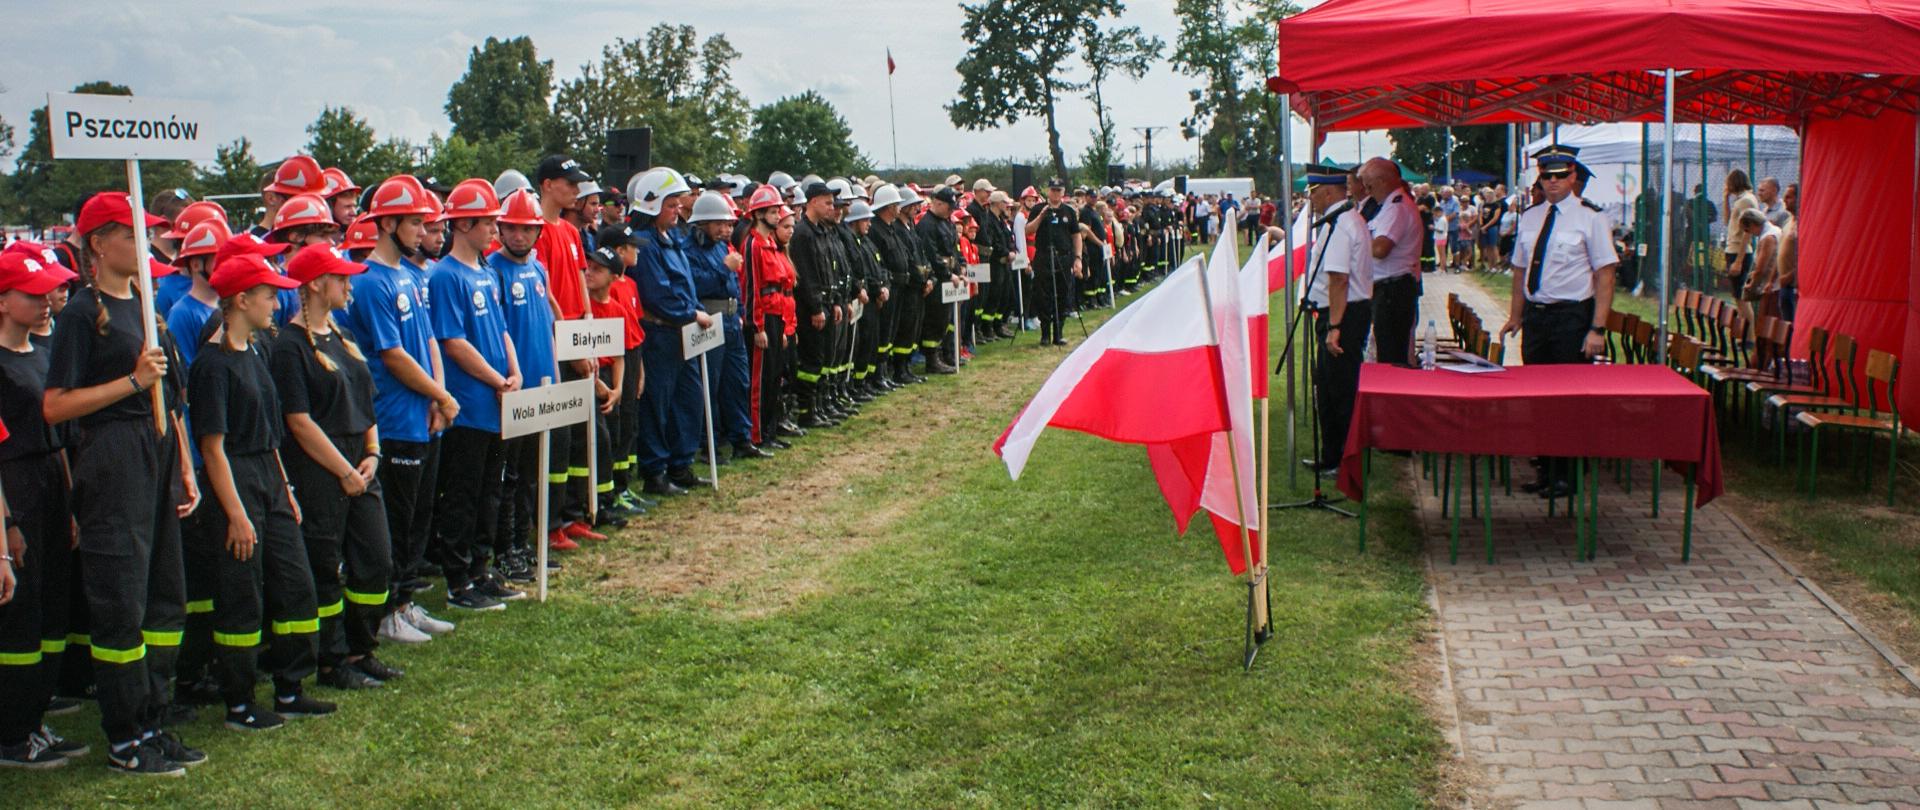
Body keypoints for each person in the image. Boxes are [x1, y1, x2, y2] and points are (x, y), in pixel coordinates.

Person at [44, 192, 207, 775]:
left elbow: (174, 395)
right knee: (122, 599)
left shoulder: (146, 304)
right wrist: (131, 383)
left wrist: (184, 463)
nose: (142, 244)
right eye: (128, 233)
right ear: (97, 243)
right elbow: (55, 406)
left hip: (158, 450)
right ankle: (124, 737)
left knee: (165, 593)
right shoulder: (80, 315)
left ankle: (153, 719)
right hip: (111, 456)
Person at [192, 249, 336, 732]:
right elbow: (213, 448)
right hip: (235, 483)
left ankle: (291, 687)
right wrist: (235, 513)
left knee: (296, 584)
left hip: (270, 481)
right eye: (268, 294)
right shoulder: (212, 365)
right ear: (240, 299)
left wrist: (286, 488)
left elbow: (270, 429)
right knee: (242, 596)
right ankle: (239, 702)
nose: (276, 303)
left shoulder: (256, 350)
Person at [338, 176, 472, 623]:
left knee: (419, 514)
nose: (422, 230)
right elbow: (392, 355)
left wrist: (439, 396)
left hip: (423, 413)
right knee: (396, 520)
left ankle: (406, 601)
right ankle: (388, 609)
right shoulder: (371, 281)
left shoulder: (408, 276)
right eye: (415, 222)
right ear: (388, 222)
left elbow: (429, 339)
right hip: (393, 418)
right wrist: (441, 395)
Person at [272, 246, 406, 690]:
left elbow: (365, 401)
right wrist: (343, 470)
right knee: (326, 566)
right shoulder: (289, 346)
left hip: (361, 463)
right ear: (314, 284)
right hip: (320, 468)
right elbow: (298, 420)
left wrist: (371, 453)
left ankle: (360, 647)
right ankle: (330, 661)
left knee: (376, 558)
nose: (350, 285)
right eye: (341, 277)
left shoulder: (343, 336)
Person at [0, 251, 89, 769]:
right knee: (20, 615)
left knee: (52, 604)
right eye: (31, 294)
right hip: (16, 488)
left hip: (51, 485)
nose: (42, 303)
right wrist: (8, 523)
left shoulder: (41, 353)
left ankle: (33, 719)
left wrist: (72, 501)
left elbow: (57, 438)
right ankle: (12, 733)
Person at [1498, 145, 1619, 498]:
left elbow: (1606, 275)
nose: (1551, 183)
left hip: (1571, 317)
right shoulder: (1532, 216)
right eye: (1546, 176)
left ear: (1573, 177)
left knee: (1567, 400)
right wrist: (1515, 315)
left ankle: (1566, 473)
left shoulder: (1591, 218)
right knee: (1538, 398)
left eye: (1559, 176)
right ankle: (1547, 468)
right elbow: (1520, 270)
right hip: (1537, 317)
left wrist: (1597, 328)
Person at [427, 180, 523, 608]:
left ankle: (481, 569)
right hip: (470, 405)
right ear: (463, 223)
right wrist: (495, 380)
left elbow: (500, 328)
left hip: (497, 401)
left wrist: (514, 370)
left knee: (491, 491)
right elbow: (452, 341)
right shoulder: (446, 275)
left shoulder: (486, 272)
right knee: (464, 495)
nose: (494, 231)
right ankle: (458, 579)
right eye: (487, 223)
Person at [486, 189, 569, 568]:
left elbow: (549, 319)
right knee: (511, 475)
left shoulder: (537, 268)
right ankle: (506, 551)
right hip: (515, 390)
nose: (519, 236)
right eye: (512, 229)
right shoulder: (492, 271)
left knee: (534, 472)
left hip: (543, 384)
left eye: (526, 230)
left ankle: (526, 543)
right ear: (500, 230)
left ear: (537, 233)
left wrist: (554, 368)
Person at [626, 167, 711, 494]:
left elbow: (683, 284)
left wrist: (692, 309)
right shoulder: (645, 244)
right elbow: (657, 294)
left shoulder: (670, 239)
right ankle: (656, 471)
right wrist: (691, 312)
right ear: (652, 205)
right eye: (671, 205)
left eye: (678, 204)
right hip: (661, 335)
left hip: (683, 333)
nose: (678, 210)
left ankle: (681, 463)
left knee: (688, 400)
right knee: (658, 405)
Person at [1297, 166, 1373, 473]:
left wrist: (1335, 327)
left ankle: (1340, 459)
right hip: (1341, 313)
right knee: (1329, 387)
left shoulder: (1342, 224)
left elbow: (1339, 279)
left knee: (1338, 390)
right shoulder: (1342, 220)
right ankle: (1333, 456)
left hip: (1342, 316)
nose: (1311, 201)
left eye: (1313, 194)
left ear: (1328, 192)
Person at [685, 191, 765, 461]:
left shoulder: (722, 247)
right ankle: (710, 442)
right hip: (710, 320)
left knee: (737, 380)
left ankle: (742, 437)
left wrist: (740, 311)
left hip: (731, 320)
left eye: (728, 224)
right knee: (712, 383)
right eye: (719, 224)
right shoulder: (689, 250)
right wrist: (724, 269)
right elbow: (696, 284)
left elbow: (735, 286)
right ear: (702, 223)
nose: (725, 229)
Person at [737, 187, 797, 447]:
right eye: (772, 211)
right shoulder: (752, 244)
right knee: (760, 381)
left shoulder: (772, 244)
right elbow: (751, 288)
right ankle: (758, 434)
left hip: (777, 316)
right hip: (763, 319)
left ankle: (770, 431)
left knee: (774, 377)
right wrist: (757, 326)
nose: (777, 216)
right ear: (759, 213)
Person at [790, 182, 850, 426]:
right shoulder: (802, 233)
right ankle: (806, 410)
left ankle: (821, 405)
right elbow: (806, 275)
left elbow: (829, 271)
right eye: (827, 202)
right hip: (810, 308)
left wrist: (834, 301)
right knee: (811, 360)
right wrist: (816, 308)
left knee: (825, 358)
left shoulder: (821, 231)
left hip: (826, 303)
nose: (831, 207)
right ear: (812, 201)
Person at [1359, 158, 1423, 366]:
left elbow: (1380, 248)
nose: (1367, 191)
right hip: (1388, 288)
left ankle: (1394, 397)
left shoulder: (1396, 207)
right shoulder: (1388, 205)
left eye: (1369, 185)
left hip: (1393, 290)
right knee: (1388, 352)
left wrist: (1356, 241)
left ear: (1382, 181)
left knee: (1391, 357)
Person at [1024, 179, 1081, 347]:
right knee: (1043, 295)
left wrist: (1078, 258)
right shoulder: (1037, 209)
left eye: (1059, 190)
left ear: (1063, 192)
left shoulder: (1068, 211)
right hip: (1043, 257)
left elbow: (1076, 235)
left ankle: (1058, 333)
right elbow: (1028, 230)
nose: (1055, 194)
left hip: (1063, 257)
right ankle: (1045, 334)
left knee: (1062, 294)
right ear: (1048, 191)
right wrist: (1041, 216)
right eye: (1053, 190)